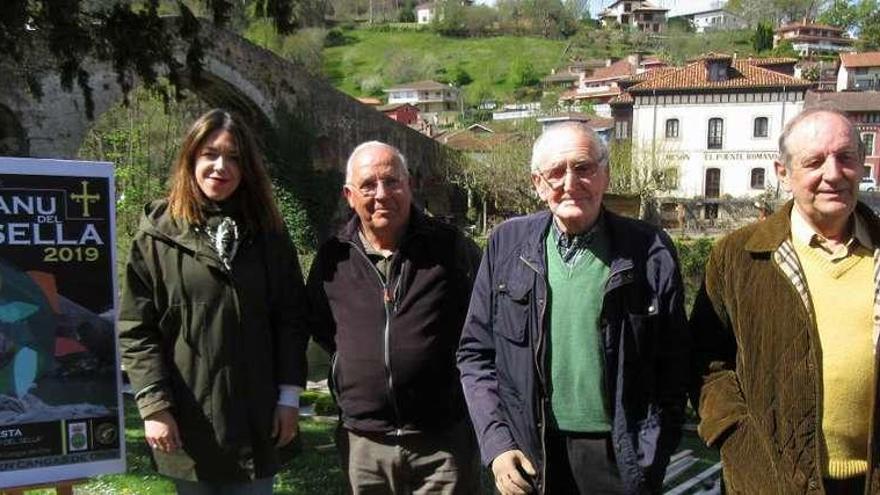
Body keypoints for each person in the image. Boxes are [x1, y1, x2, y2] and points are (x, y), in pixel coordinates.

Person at [457, 122, 690, 495]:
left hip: (620, 458)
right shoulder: (506, 244)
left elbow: (675, 370)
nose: (570, 182)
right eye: (555, 172)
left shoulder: (650, 250)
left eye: (583, 168)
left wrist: (649, 459)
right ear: (537, 183)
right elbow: (475, 355)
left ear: (605, 175)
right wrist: (498, 445)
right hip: (532, 454)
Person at [118, 109, 309, 494]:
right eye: (210, 154)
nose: (221, 167)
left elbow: (290, 319)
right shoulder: (157, 235)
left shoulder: (268, 234)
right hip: (188, 420)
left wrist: (289, 399)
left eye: (234, 157)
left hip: (256, 420)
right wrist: (154, 407)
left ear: (247, 167)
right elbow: (137, 328)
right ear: (191, 158)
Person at [690, 108, 880, 494]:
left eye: (845, 157)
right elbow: (706, 365)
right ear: (783, 173)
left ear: (861, 165)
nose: (833, 173)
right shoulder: (738, 256)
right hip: (769, 480)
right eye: (814, 162)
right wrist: (738, 442)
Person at [307, 141, 482, 494]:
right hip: (364, 442)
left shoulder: (451, 248)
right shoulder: (333, 258)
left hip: (442, 439)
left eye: (392, 181)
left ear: (409, 185)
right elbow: (323, 328)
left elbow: (482, 324)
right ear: (349, 195)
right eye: (368, 185)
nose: (382, 194)